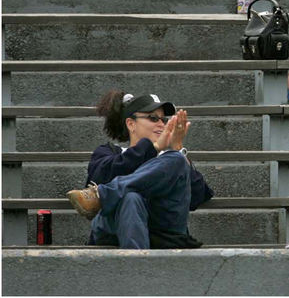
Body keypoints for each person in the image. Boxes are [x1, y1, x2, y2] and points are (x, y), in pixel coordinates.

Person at [65, 90, 213, 249]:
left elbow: (198, 196)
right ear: (131, 124)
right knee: (131, 199)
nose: (161, 124)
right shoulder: (109, 153)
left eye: (163, 119)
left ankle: (101, 194)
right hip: (115, 228)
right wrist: (153, 148)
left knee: (176, 159)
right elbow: (100, 176)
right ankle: (137, 264)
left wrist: (177, 148)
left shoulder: (170, 160)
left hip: (163, 231)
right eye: (153, 118)